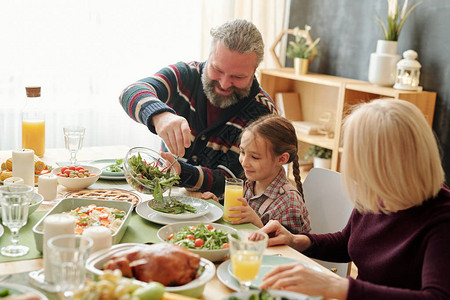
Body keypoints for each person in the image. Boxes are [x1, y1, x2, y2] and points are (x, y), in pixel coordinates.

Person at [257, 99, 450, 299]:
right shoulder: (379, 192)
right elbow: (347, 241)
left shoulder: (442, 220)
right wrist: (296, 240)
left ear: (388, 164)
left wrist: (340, 287)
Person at [119, 19, 277, 196]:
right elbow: (130, 92)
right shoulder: (186, 76)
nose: (224, 84)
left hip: (222, 215)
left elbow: (233, 182)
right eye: (217, 69)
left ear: (254, 70)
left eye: (238, 77)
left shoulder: (263, 114)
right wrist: (161, 115)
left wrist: (181, 172)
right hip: (168, 200)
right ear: (208, 57)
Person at [203, 114, 310, 233]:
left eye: (255, 157)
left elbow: (288, 248)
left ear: (281, 159)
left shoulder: (289, 202)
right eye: (242, 152)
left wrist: (257, 223)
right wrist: (219, 208)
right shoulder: (250, 183)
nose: (244, 162)